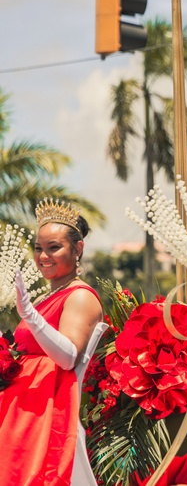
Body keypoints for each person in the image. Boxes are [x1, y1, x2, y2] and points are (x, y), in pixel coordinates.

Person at [0, 199, 104, 486]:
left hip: (44, 411)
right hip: (22, 404)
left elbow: (69, 356)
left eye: (53, 247)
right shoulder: (50, 296)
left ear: (78, 249)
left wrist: (30, 315)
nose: (43, 256)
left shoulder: (80, 296)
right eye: (38, 248)